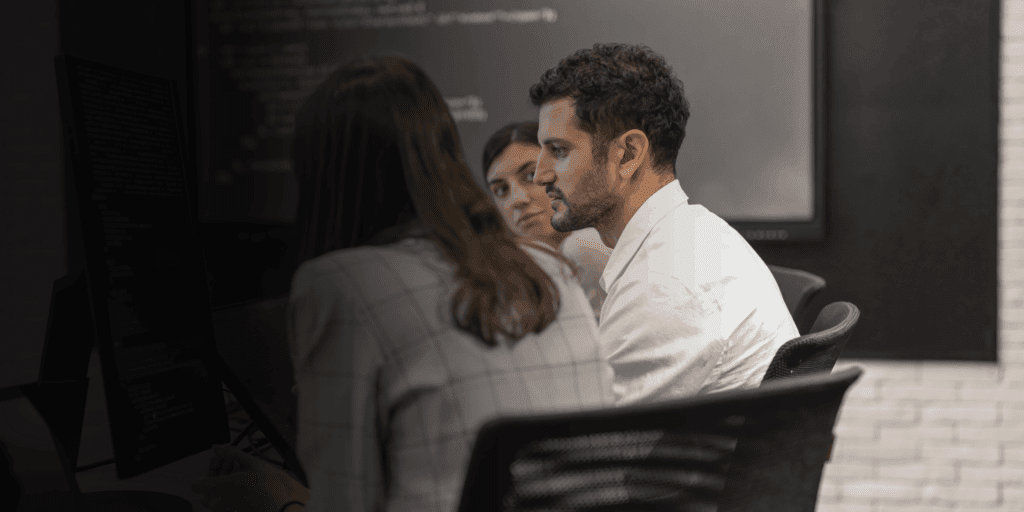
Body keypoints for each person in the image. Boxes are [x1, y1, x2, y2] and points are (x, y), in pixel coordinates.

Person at [192, 56, 614, 512]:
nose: (519, 199)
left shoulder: (339, 284)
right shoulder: (552, 269)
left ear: (322, 176)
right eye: (501, 188)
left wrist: (277, 502)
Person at [529, 43, 799, 406]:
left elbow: (586, 435)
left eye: (559, 150)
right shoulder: (699, 233)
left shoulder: (662, 286)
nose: (540, 174)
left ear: (628, 155)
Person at [482, 121, 612, 319]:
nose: (517, 199)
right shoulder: (505, 278)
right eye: (501, 190)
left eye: (531, 175)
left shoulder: (585, 246)